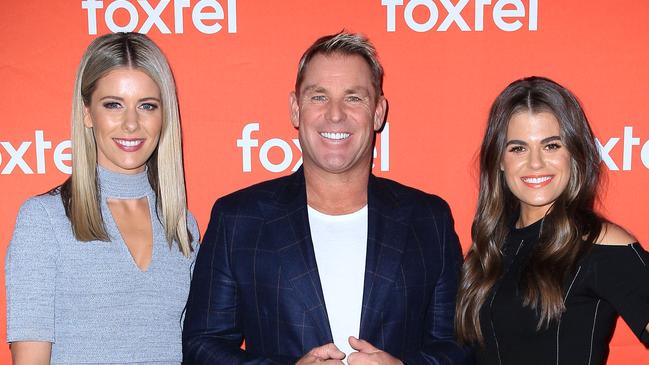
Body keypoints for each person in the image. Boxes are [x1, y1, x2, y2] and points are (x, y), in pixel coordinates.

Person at [183, 32, 469, 364]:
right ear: (295, 109)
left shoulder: (428, 219)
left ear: (378, 112)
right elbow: (202, 346)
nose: (335, 114)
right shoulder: (238, 219)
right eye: (319, 97)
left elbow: (459, 346)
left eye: (354, 98)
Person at [5, 32, 199, 364]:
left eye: (147, 106)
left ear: (164, 115)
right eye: (113, 104)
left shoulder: (182, 226)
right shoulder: (43, 220)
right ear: (87, 113)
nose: (131, 123)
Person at [455, 76, 649, 364]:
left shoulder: (602, 246)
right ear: (499, 161)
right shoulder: (490, 246)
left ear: (575, 153)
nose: (535, 163)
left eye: (551, 146)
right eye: (518, 148)